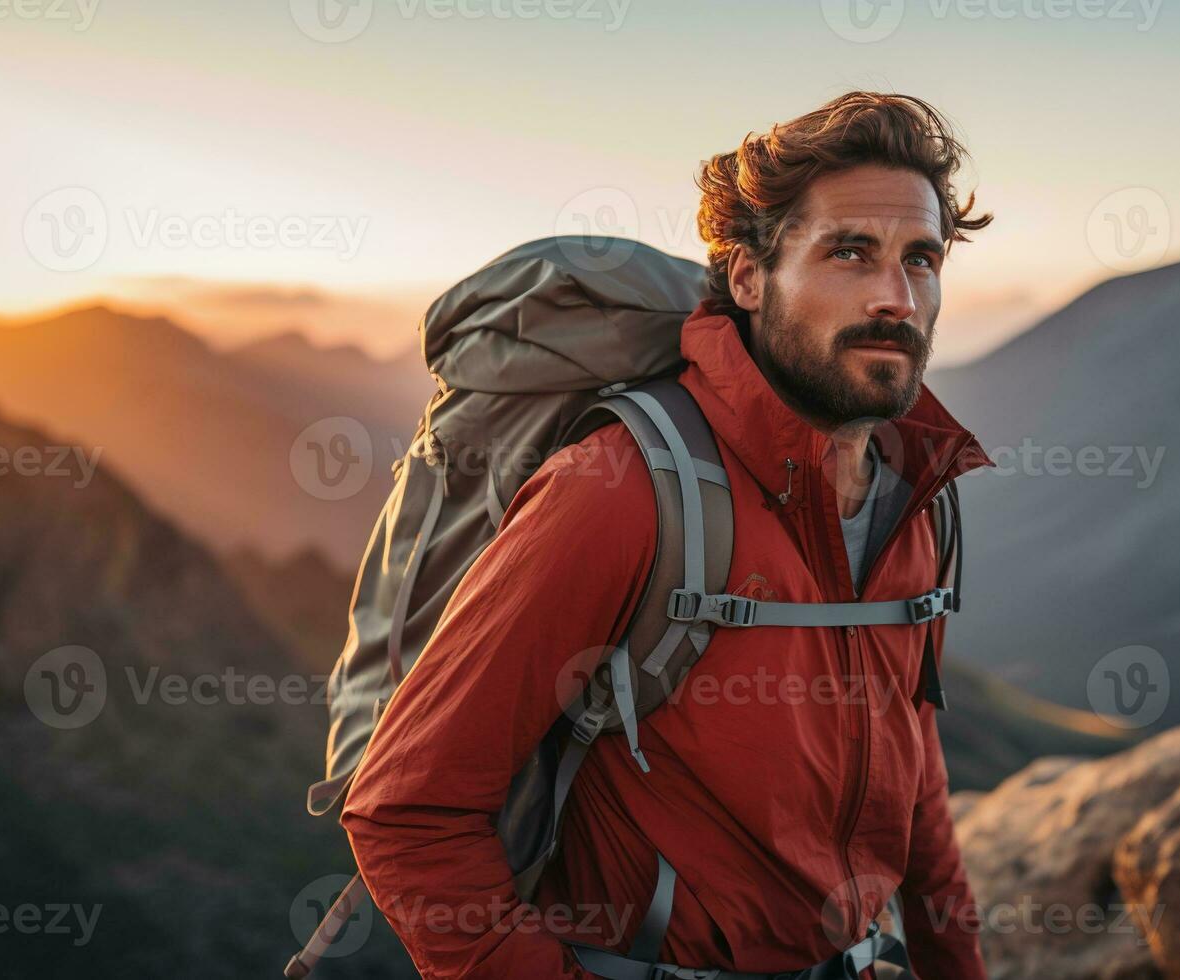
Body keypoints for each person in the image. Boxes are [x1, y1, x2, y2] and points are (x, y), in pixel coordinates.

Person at [342, 90, 995, 980]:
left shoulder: (917, 496)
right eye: (850, 252)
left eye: (921, 260)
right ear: (749, 278)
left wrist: (955, 965)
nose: (897, 297)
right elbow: (406, 809)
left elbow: (912, 767)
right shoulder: (622, 491)